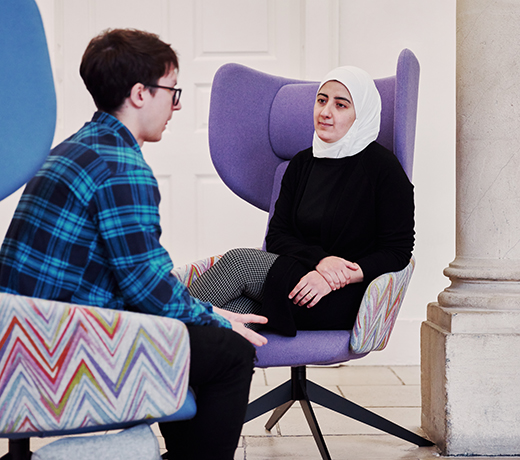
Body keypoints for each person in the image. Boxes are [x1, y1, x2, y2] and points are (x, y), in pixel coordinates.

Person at [0, 28, 268, 460]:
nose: (175, 106)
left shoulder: (77, 147)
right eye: (172, 91)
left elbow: (133, 275)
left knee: (200, 328)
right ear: (141, 93)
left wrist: (205, 312)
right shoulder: (121, 165)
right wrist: (217, 321)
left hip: (23, 333)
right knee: (232, 352)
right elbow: (145, 286)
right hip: (59, 344)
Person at [188, 65, 415, 336]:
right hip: (296, 279)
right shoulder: (301, 164)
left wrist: (333, 278)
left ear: (361, 114)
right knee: (236, 319)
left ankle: (154, 326)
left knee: (240, 263)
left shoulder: (384, 169)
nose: (326, 112)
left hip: (346, 295)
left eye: (341, 105)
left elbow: (397, 251)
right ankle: (194, 372)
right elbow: (277, 237)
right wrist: (321, 261)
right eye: (322, 100)